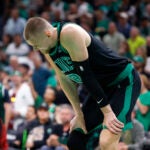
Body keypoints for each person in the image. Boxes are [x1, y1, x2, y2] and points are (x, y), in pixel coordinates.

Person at [23, 17, 141, 150]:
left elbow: (87, 76)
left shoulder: (69, 33)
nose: (34, 49)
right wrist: (78, 114)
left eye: (35, 44)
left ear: (48, 33)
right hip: (100, 88)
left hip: (122, 82)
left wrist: (107, 113)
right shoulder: (48, 49)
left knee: (107, 141)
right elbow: (65, 80)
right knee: (75, 140)